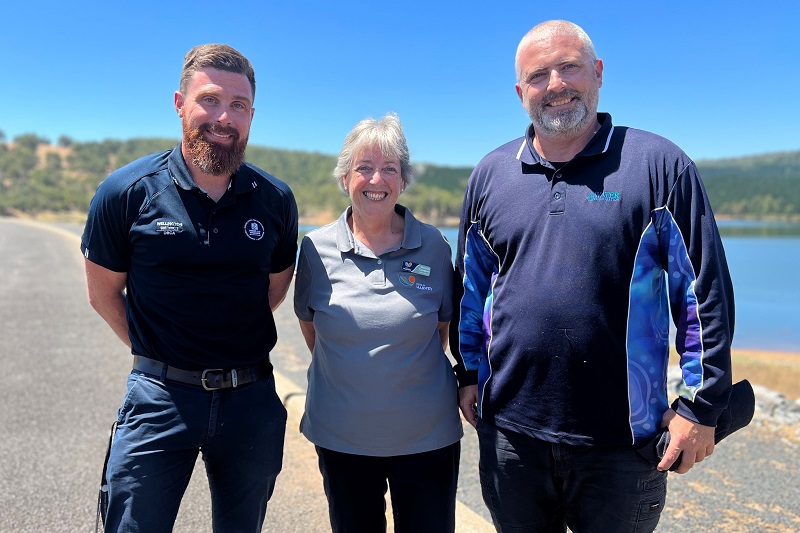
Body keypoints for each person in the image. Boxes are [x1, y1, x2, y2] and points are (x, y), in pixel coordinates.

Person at [451, 20, 735, 533]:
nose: (555, 84)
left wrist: (702, 406)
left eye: (569, 67)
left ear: (598, 73)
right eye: (538, 75)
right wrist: (469, 373)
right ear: (521, 92)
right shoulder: (490, 175)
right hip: (511, 437)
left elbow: (701, 295)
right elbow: (472, 290)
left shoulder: (658, 165)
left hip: (621, 445)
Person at [81, 44, 298, 532]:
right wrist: (161, 353)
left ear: (251, 115)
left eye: (238, 105)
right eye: (210, 99)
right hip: (160, 399)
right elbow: (102, 293)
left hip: (251, 399)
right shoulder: (125, 192)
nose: (224, 117)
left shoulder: (277, 200)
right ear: (180, 103)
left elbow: (273, 289)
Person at [294, 113, 463, 533]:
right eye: (364, 168)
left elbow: (441, 332)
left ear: (403, 180)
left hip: (427, 438)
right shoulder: (315, 249)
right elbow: (312, 329)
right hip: (341, 437)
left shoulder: (436, 248)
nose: (376, 179)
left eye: (390, 169)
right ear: (345, 177)